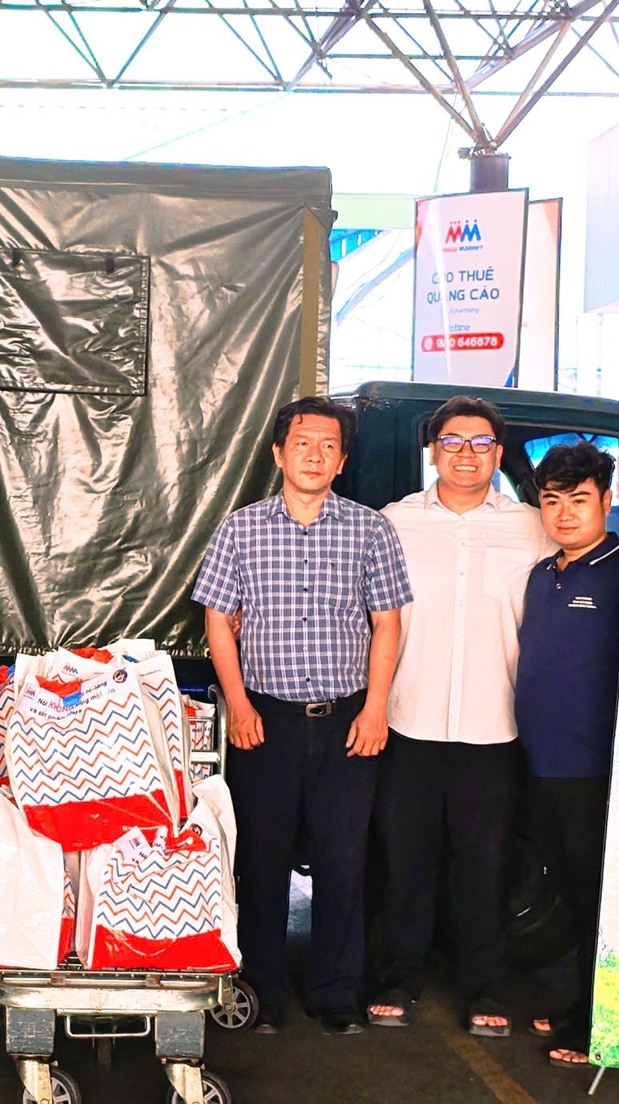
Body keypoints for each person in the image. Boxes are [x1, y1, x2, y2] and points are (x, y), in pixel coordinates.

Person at [192, 396, 410, 1035]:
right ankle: (261, 991)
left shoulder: (370, 530)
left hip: (346, 722)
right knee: (261, 861)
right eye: (302, 444)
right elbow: (217, 621)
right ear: (278, 454)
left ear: (342, 461)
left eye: (328, 446)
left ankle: (336, 993)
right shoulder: (241, 529)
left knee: (345, 863)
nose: (315, 456)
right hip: (266, 721)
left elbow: (387, 625)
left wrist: (376, 709)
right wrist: (237, 703)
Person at [368, 397, 552, 1037]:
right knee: (404, 864)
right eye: (452, 441)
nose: (465, 454)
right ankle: (398, 977)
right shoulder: (394, 522)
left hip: (495, 726)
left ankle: (485, 990)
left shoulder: (533, 527)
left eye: (480, 443)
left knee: (486, 867)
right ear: (432, 450)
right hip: (407, 721)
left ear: (498, 454)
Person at [515, 443, 619, 1068]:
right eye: (553, 500)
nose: (564, 513)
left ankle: (597, 1024)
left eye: (579, 500)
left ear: (606, 501)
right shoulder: (542, 574)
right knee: (558, 891)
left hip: (595, 769)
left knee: (596, 897)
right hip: (539, 764)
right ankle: (569, 1003)